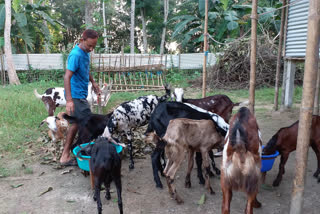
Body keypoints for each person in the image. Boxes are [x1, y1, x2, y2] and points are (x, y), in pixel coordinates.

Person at [60, 29, 101, 166]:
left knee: (77, 123)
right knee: (86, 123)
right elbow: (67, 76)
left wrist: (93, 82)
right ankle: (76, 154)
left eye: (94, 46)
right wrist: (70, 100)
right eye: (90, 45)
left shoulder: (85, 53)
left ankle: (69, 153)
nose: (91, 49)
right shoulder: (76, 55)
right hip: (75, 96)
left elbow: (86, 69)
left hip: (81, 94)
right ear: (82, 40)